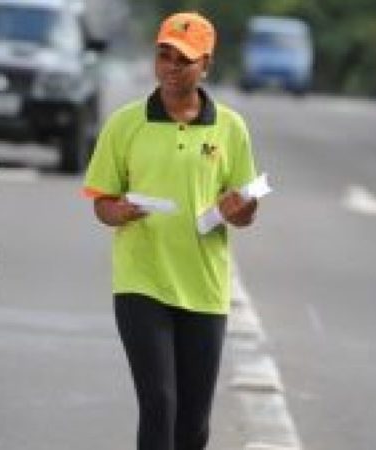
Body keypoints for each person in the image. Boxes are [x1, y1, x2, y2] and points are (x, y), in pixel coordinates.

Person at [81, 11, 259, 450]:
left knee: (194, 423)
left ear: (206, 65)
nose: (172, 67)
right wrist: (117, 212)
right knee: (159, 404)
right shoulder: (125, 124)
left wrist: (240, 209)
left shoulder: (230, 128)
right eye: (164, 56)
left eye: (184, 59)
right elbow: (101, 201)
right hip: (142, 283)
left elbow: (245, 210)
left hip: (203, 287)